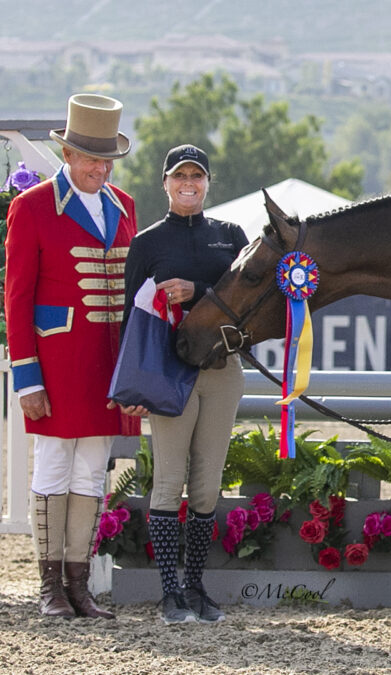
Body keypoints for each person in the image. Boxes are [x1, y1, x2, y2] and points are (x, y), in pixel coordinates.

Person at [3, 93, 140, 618]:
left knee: (90, 472)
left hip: (106, 366)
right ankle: (49, 587)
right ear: (67, 155)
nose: (99, 169)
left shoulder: (124, 205)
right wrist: (27, 378)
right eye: (90, 158)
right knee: (53, 467)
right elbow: (17, 298)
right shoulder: (32, 206)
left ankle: (79, 586)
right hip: (56, 362)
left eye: (107, 160)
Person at [118, 144, 248, 624]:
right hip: (169, 375)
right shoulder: (147, 243)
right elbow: (132, 319)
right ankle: (169, 593)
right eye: (179, 176)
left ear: (208, 182)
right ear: (165, 183)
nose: (188, 183)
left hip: (221, 371)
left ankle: (196, 588)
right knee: (170, 482)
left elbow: (249, 301)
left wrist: (200, 294)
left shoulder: (232, 236)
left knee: (208, 486)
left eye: (197, 175)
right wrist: (130, 383)